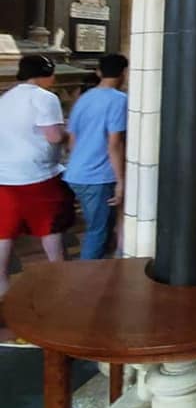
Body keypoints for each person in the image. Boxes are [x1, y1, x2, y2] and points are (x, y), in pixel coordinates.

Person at [0, 54, 70, 297]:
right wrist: (67, 131)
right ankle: (62, 291)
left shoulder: (5, 98)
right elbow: (54, 136)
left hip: (4, 176)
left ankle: (4, 300)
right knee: (50, 234)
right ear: (46, 74)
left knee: (4, 235)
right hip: (38, 175)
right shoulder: (45, 97)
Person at [66, 53, 128, 260]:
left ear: (99, 72)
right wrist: (121, 181)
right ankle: (88, 277)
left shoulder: (84, 98)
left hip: (77, 172)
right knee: (98, 232)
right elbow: (114, 143)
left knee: (98, 228)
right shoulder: (119, 100)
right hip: (98, 176)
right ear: (124, 73)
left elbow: (72, 139)